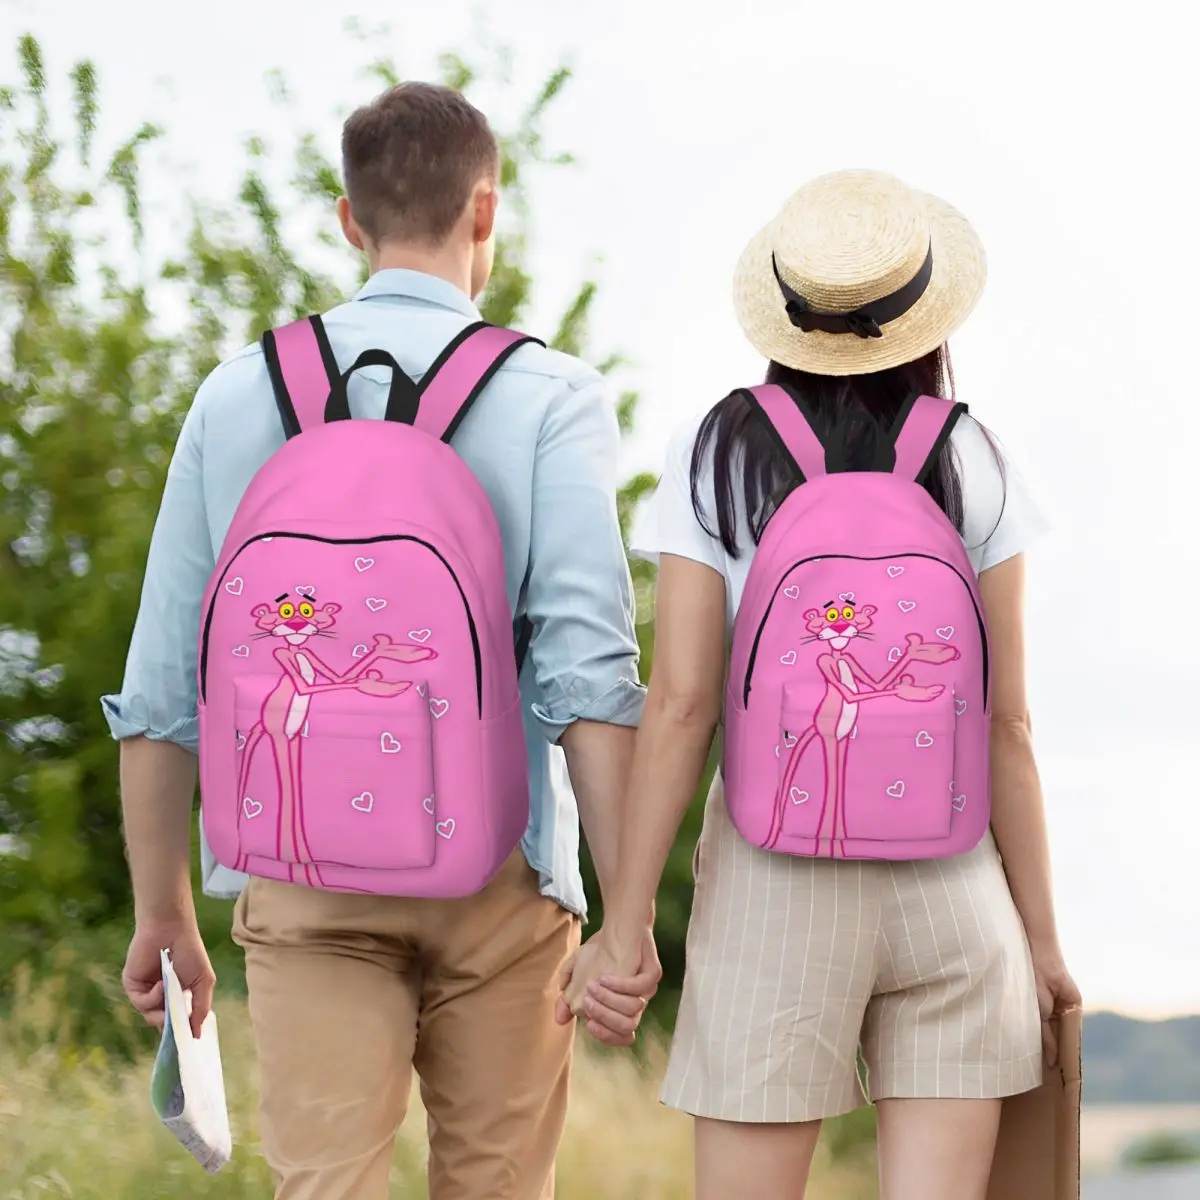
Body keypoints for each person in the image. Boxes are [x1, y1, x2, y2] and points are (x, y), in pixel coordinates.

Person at [105, 81, 661, 1200]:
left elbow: (165, 682)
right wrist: (628, 914)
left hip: (302, 871)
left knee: (325, 1185)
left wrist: (162, 909)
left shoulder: (237, 394)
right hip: (504, 874)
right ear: (485, 213)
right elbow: (589, 677)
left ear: (349, 219)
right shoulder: (550, 395)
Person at [563, 169, 1081, 1199]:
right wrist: (1042, 942)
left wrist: (624, 926)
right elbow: (1007, 723)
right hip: (954, 883)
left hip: (773, 883)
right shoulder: (973, 457)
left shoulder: (717, 454)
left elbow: (681, 705)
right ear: (925, 316)